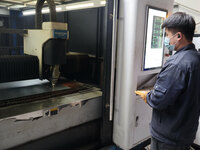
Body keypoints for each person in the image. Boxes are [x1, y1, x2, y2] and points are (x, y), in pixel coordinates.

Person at [135, 12, 200, 150]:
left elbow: (160, 100)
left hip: (168, 137)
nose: (165, 38)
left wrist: (147, 95)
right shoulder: (196, 58)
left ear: (178, 36)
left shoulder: (177, 64)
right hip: (186, 132)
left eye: (167, 35)